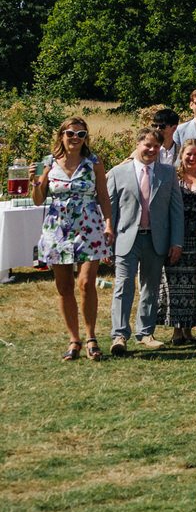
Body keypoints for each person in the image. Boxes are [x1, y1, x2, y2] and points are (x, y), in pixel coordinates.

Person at [33, 117, 113, 361]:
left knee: (86, 283)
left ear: (86, 137)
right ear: (61, 135)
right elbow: (38, 199)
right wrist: (35, 182)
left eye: (81, 134)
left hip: (89, 227)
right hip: (57, 229)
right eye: (70, 133)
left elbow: (103, 196)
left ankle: (91, 337)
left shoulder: (94, 162)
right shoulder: (47, 162)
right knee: (64, 286)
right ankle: (73, 339)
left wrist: (109, 224)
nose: (75, 138)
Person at [105, 126, 185, 354]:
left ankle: (146, 333)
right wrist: (107, 244)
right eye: (147, 145)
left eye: (156, 146)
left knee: (151, 288)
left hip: (156, 240)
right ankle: (119, 335)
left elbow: (176, 210)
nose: (151, 150)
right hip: (126, 239)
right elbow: (110, 211)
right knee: (123, 286)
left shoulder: (168, 173)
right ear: (138, 145)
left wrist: (176, 242)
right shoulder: (118, 173)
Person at [158, 139, 196, 343]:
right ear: (181, 155)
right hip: (177, 237)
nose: (192, 158)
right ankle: (177, 329)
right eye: (188, 154)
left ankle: (189, 328)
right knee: (175, 285)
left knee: (195, 287)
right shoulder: (172, 176)